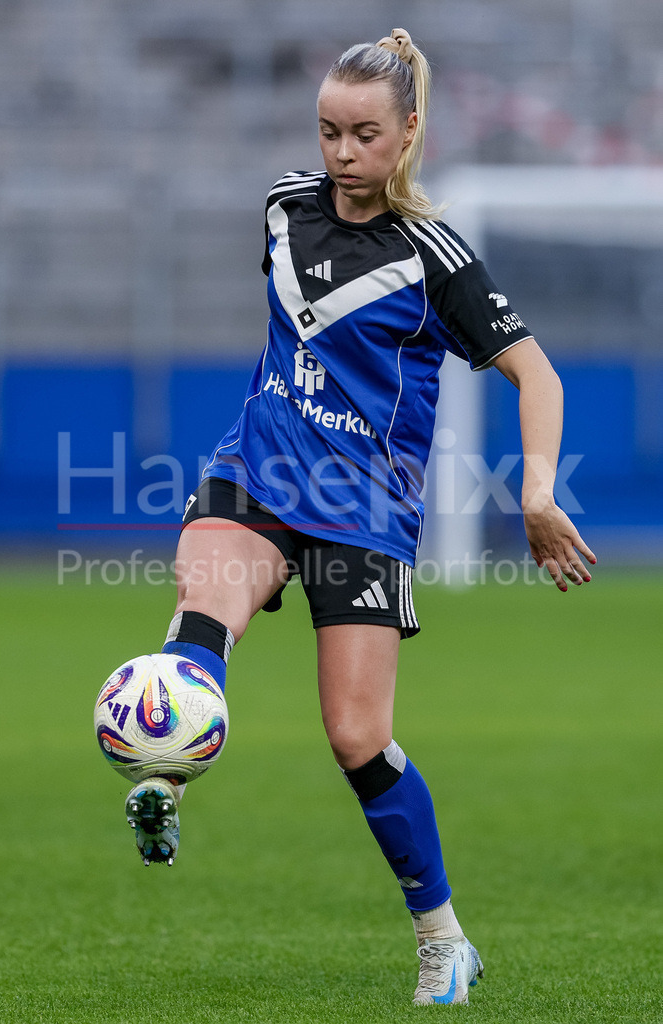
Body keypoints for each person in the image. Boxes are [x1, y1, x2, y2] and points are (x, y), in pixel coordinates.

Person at [119, 28, 597, 1007]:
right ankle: (160, 773)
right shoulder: (282, 207)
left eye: (365, 135)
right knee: (200, 616)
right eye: (329, 131)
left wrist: (537, 491)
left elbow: (533, 371)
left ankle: (441, 937)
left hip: (361, 507)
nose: (342, 154)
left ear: (408, 131)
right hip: (254, 470)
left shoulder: (435, 257)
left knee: (353, 736)